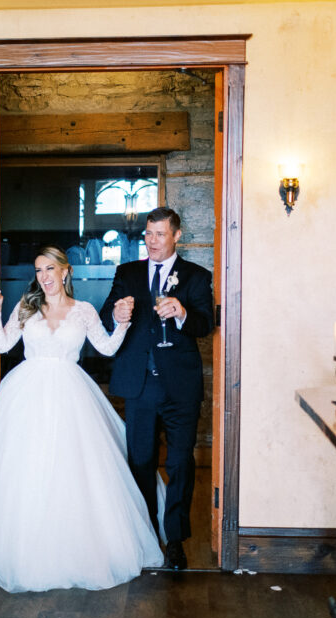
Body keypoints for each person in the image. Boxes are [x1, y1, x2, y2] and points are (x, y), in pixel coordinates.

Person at [0, 245, 163, 593]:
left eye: (50, 269)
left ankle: (78, 548)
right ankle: (33, 551)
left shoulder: (82, 311)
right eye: (38, 270)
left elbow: (108, 348)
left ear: (65, 272)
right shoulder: (27, 306)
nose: (44, 277)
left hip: (70, 395)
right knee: (32, 469)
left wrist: (122, 324)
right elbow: (3, 346)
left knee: (71, 469)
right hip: (27, 397)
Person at [99, 207, 214, 570]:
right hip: (140, 385)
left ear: (176, 235)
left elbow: (205, 325)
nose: (152, 242)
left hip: (180, 386)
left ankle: (176, 540)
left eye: (160, 235)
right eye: (148, 234)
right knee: (141, 463)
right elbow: (106, 317)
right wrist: (117, 316)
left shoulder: (196, 276)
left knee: (180, 463)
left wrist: (181, 312)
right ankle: (146, 532)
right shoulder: (127, 273)